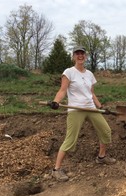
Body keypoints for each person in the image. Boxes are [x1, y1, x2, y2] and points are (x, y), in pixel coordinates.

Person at [49, 45, 116, 182]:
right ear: (73, 56)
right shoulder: (69, 72)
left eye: (82, 54)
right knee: (70, 139)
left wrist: (101, 106)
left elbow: (91, 93)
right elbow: (62, 90)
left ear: (85, 56)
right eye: (77, 53)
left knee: (106, 131)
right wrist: (56, 101)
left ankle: (101, 157)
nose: (80, 56)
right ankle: (56, 170)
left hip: (91, 108)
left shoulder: (89, 74)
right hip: (76, 109)